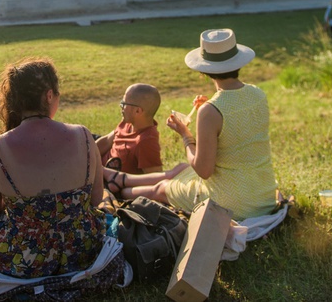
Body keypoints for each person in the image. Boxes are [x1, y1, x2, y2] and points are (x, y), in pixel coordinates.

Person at [103, 29, 278, 220]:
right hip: (263, 194)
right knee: (179, 169)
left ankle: (118, 192)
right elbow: (238, 131)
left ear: (204, 70)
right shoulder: (258, 94)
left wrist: (185, 135)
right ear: (237, 61)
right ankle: (122, 179)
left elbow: (204, 170)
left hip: (232, 202)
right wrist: (206, 112)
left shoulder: (211, 111)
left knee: (162, 189)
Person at [0, 58, 107, 278]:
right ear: (49, 95)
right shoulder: (84, 136)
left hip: (24, 260)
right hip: (83, 250)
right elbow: (96, 200)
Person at [95, 83, 163, 174]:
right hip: (96, 167)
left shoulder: (146, 142)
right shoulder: (128, 123)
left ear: (137, 111)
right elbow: (107, 141)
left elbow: (155, 178)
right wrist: (86, 156)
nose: (121, 106)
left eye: (124, 103)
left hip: (107, 181)